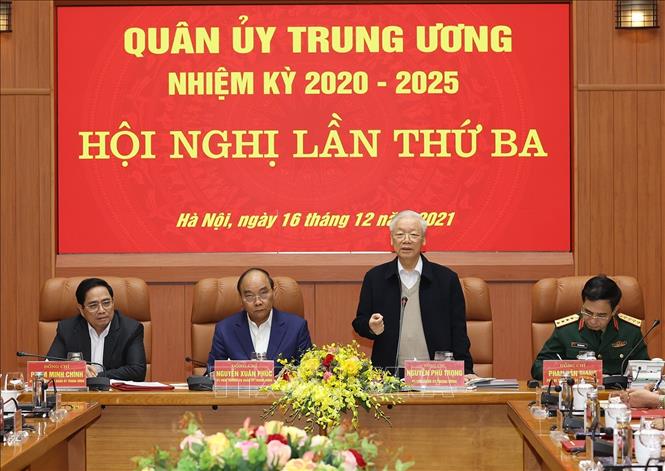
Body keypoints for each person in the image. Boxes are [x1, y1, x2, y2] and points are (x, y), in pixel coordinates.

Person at [352, 210, 475, 378]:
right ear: (391, 240)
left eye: (414, 235)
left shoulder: (446, 279)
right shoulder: (375, 278)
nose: (407, 240)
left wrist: (466, 371)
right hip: (389, 375)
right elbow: (359, 322)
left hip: (437, 374)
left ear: (423, 240)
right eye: (400, 234)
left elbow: (458, 331)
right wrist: (370, 326)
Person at [531, 275, 648, 380]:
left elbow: (645, 370)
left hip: (618, 394)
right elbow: (538, 368)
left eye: (601, 315)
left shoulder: (630, 331)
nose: (593, 320)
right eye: (587, 312)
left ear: (614, 311)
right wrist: (570, 373)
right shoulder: (566, 330)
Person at [47, 277, 147, 381]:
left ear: (113, 302)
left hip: (113, 391)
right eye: (93, 305)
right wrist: (76, 370)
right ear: (81, 309)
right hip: (80, 391)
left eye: (106, 303)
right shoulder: (67, 329)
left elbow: (137, 371)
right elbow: (49, 367)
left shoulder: (131, 329)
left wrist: (95, 377)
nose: (101, 310)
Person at [207, 268, 312, 367]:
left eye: (263, 293)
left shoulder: (296, 328)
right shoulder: (225, 330)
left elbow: (309, 373)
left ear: (273, 292)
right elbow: (212, 372)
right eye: (249, 296)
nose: (258, 302)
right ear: (241, 298)